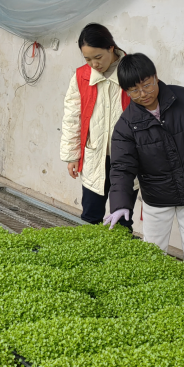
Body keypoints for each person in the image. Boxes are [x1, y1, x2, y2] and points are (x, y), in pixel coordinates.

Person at [104, 53, 184, 273]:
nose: (143, 94)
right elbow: (122, 167)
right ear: (125, 91)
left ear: (155, 76)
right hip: (156, 197)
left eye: (147, 85)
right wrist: (120, 203)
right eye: (134, 90)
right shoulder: (126, 125)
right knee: (153, 254)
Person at [60, 23, 136, 228]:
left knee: (122, 220)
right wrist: (72, 155)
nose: (94, 64)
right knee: (90, 216)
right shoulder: (81, 76)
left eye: (98, 57)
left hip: (127, 157)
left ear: (111, 48)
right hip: (94, 157)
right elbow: (72, 118)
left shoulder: (133, 70)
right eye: (87, 59)